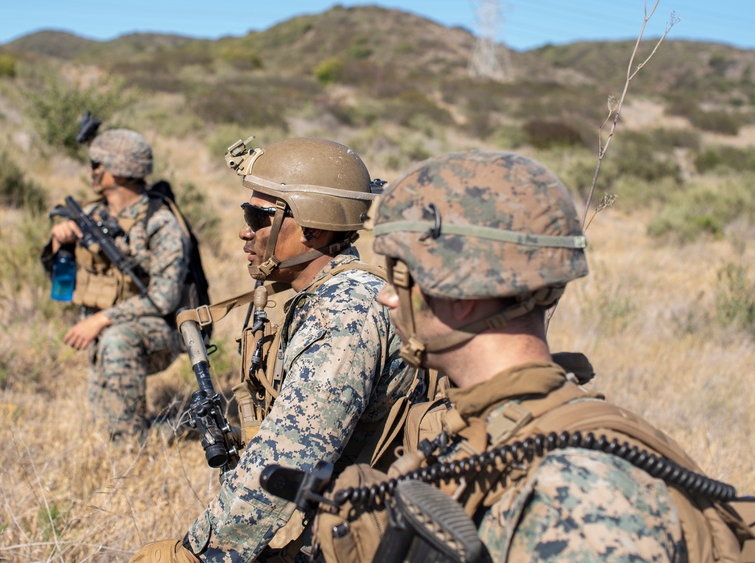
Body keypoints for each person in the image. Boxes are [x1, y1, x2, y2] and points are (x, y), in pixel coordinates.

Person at [318, 149, 747, 561]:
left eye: (399, 275)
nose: (387, 297)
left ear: (458, 292)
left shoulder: (575, 497)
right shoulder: (491, 428)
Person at [133, 137, 417, 562]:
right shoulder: (319, 293)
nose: (244, 230)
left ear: (313, 227)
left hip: (369, 530)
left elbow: (287, 461)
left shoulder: (343, 315)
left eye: (258, 216)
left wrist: (197, 554)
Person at [42, 128, 189, 442]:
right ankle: (135, 431)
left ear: (119, 171)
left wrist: (100, 320)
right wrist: (60, 243)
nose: (93, 171)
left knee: (117, 341)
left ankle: (146, 440)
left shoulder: (159, 222)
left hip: (161, 331)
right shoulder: (93, 214)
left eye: (98, 165)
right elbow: (62, 283)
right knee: (102, 427)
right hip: (105, 330)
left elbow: (164, 299)